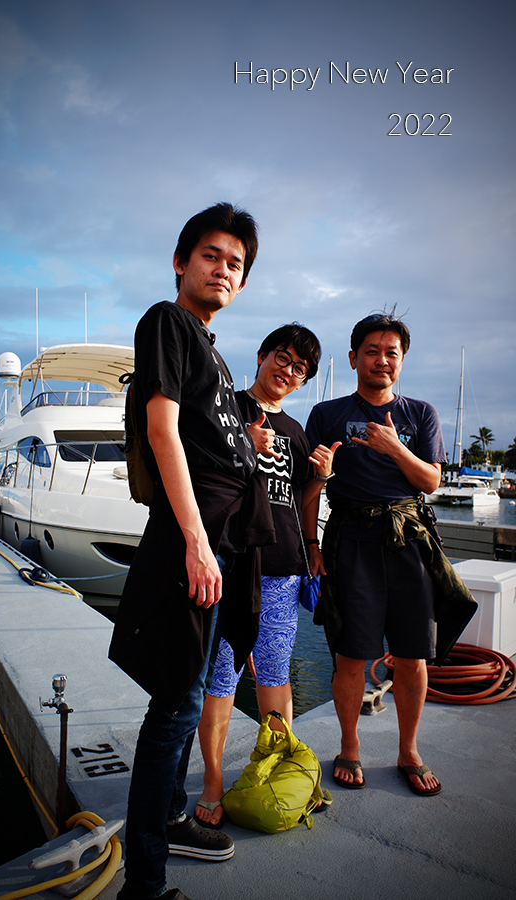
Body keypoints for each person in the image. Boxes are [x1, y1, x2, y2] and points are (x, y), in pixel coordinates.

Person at [108, 202, 275, 900]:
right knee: (176, 706)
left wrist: (248, 443)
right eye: (211, 256)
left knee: (193, 689)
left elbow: (211, 434)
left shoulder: (212, 349)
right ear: (181, 262)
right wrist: (197, 544)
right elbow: (163, 431)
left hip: (226, 539)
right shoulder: (167, 322)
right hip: (198, 536)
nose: (223, 270)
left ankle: (174, 817)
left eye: (235, 263)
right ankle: (144, 884)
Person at [305, 311, 477, 797]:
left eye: (392, 353)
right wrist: (311, 545)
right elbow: (312, 487)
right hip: (350, 540)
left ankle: (408, 751)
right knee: (350, 655)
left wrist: (394, 448)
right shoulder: (327, 414)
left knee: (412, 654)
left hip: (409, 542)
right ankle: (349, 746)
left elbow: (431, 481)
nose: (382, 360)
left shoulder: (420, 413)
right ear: (353, 357)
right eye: (372, 352)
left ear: (401, 361)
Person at [194, 323, 339, 829]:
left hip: (281, 569)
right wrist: (244, 446)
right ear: (261, 355)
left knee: (275, 675)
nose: (288, 371)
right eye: (282, 357)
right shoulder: (227, 408)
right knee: (222, 678)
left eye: (300, 369)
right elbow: (199, 469)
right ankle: (213, 781)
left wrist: (321, 478)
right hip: (232, 564)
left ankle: (278, 768)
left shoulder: (297, 432)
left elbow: (301, 500)